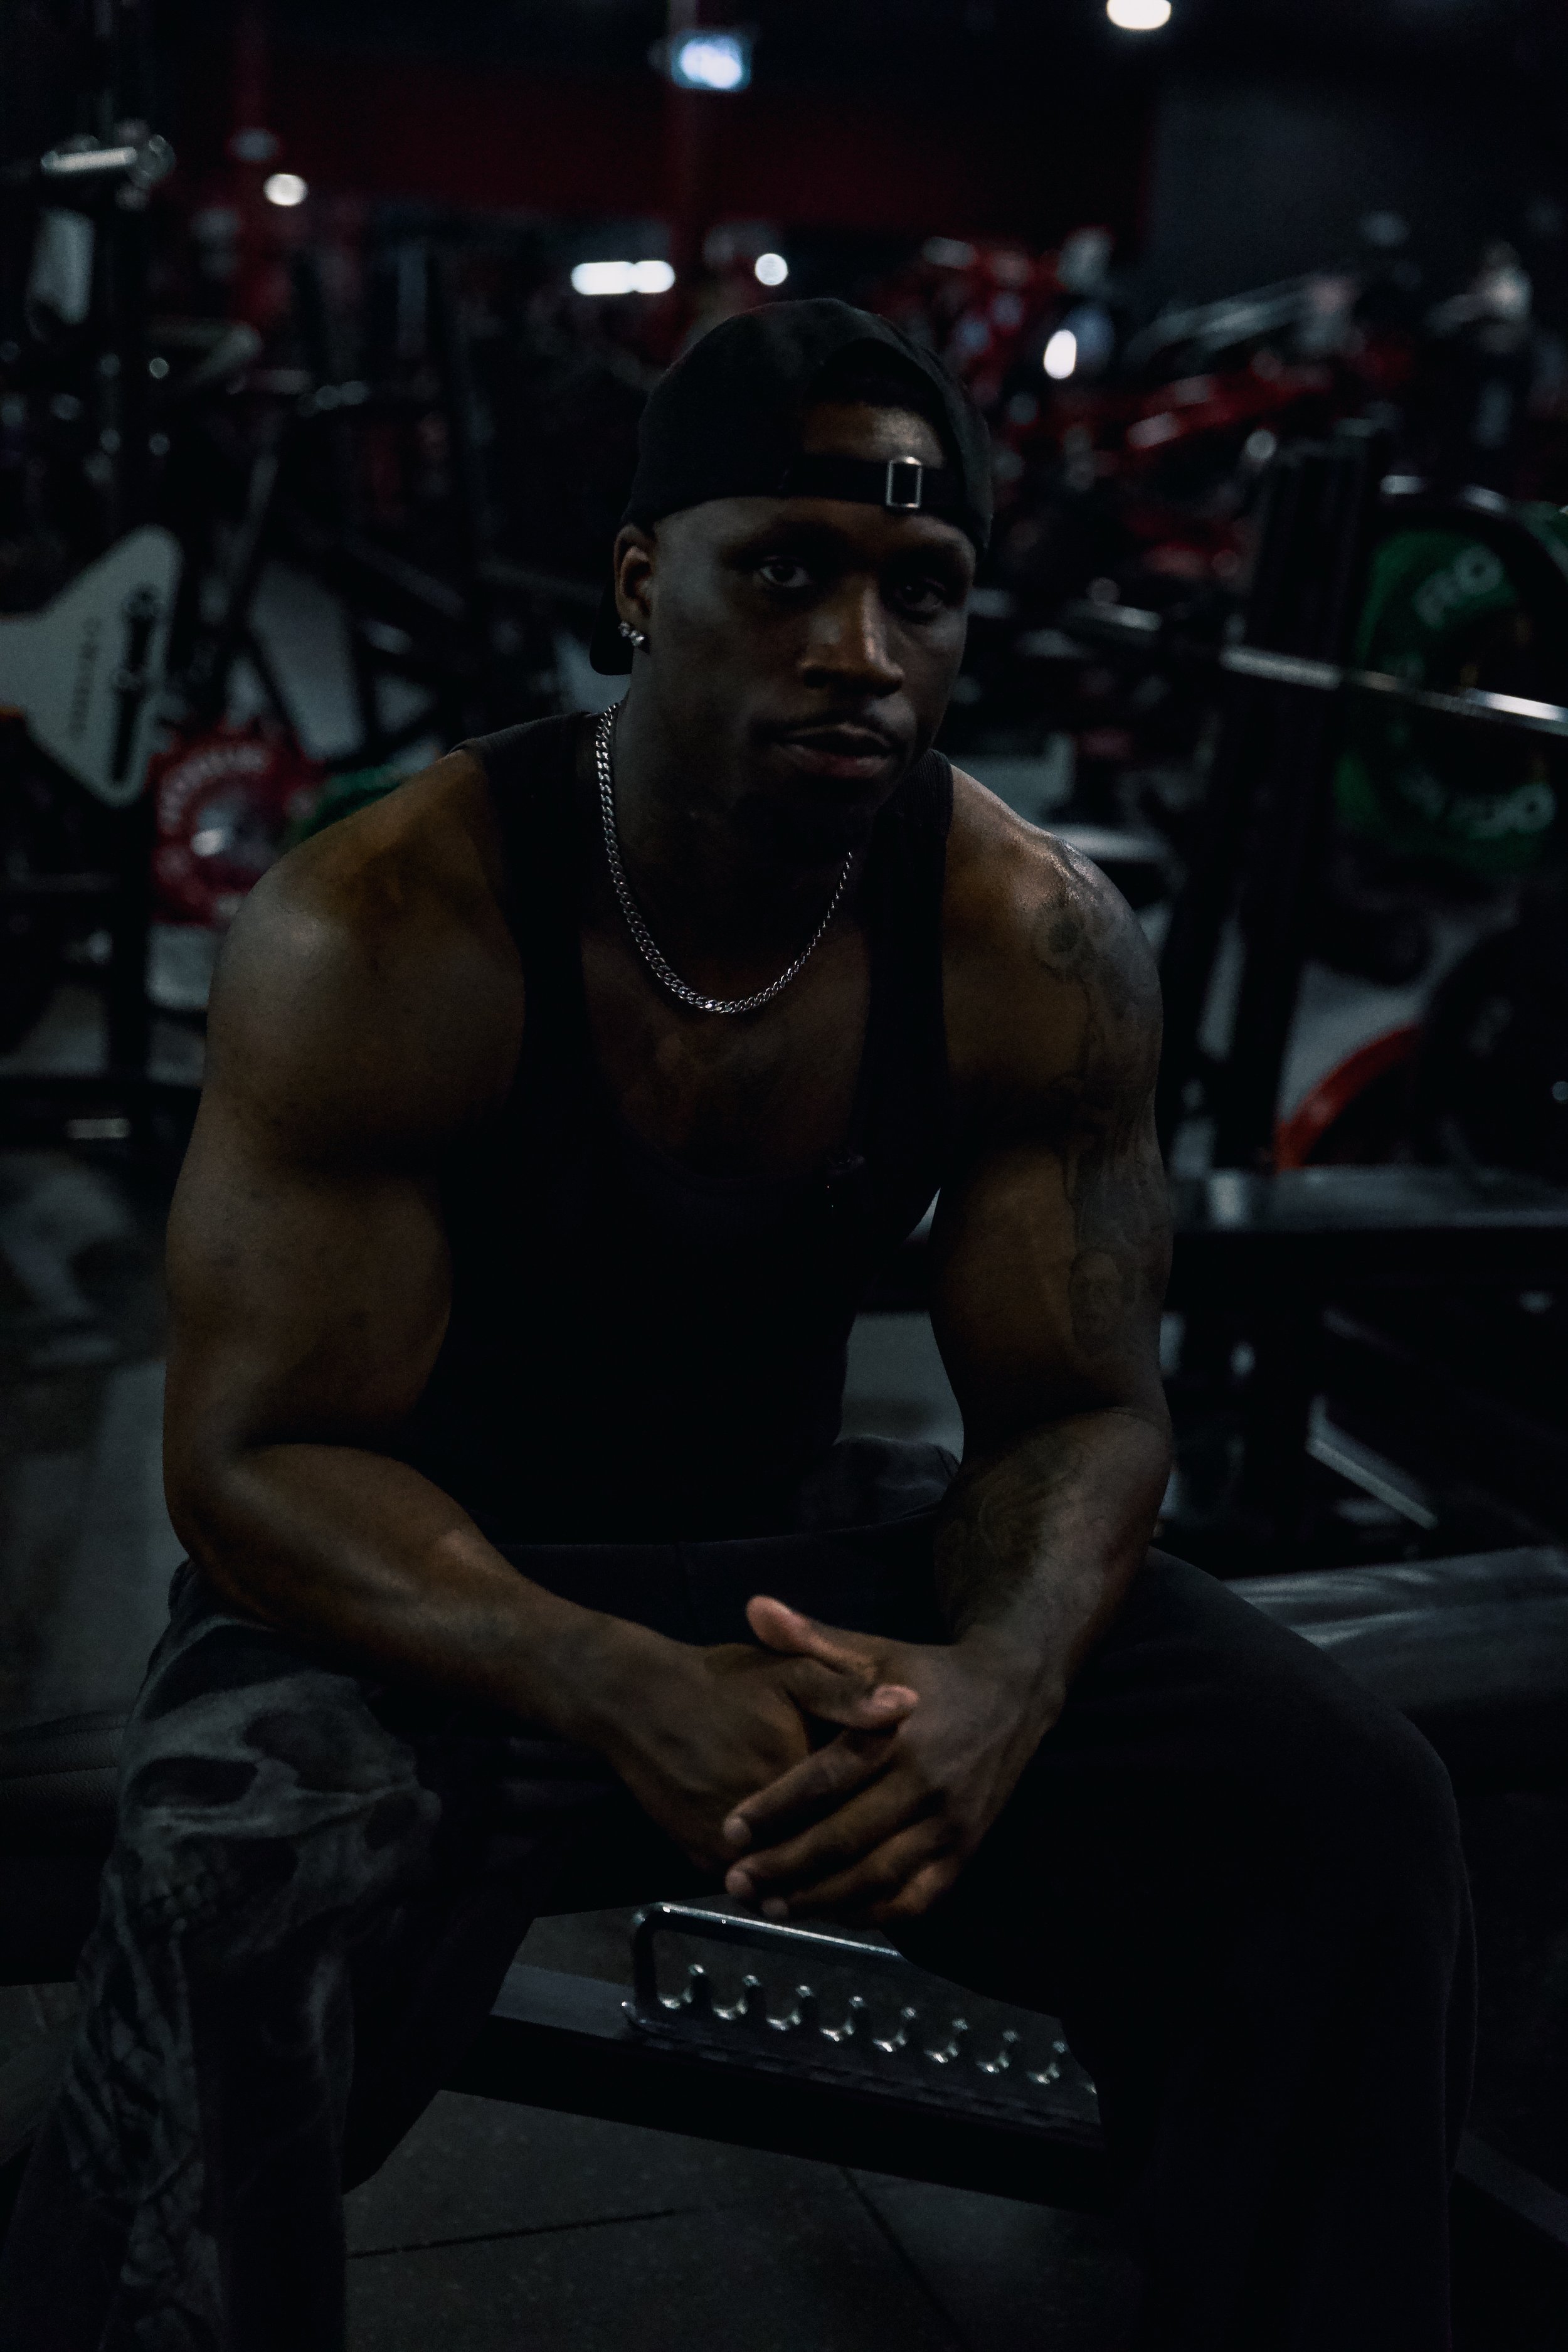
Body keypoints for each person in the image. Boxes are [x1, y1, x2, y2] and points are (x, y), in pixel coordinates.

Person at [0, 300, 1471, 2351]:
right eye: (785, 572)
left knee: (1344, 1802)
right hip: (425, 1578)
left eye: (918, 592)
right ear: (638, 585)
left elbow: (1075, 1412)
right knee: (231, 1882)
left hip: (801, 1554)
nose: (860, 652)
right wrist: (603, 1677)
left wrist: (1000, 1685)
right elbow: (251, 1466)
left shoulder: (1029, 938)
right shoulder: (384, 928)